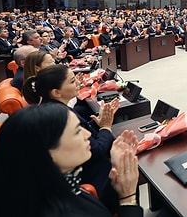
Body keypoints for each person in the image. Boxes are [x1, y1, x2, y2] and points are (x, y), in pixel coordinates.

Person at [0, 103, 143, 217]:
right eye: (76, 131)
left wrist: (118, 170)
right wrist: (128, 198)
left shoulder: (42, 187)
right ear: (47, 152)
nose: (87, 134)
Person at [22, 65, 120, 208]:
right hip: (93, 177)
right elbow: (96, 151)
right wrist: (105, 127)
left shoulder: (54, 108)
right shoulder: (61, 117)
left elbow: (83, 128)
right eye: (73, 81)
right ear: (56, 92)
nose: (79, 83)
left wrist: (98, 121)